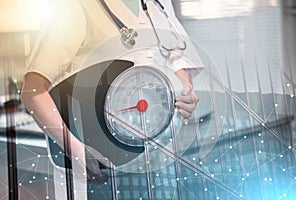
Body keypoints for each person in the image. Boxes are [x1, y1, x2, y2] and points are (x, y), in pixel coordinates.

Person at [21, 0, 202, 199]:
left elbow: (174, 59)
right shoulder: (74, 6)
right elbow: (33, 91)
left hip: (160, 161)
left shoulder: (158, 3)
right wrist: (77, 150)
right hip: (100, 168)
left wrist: (186, 92)